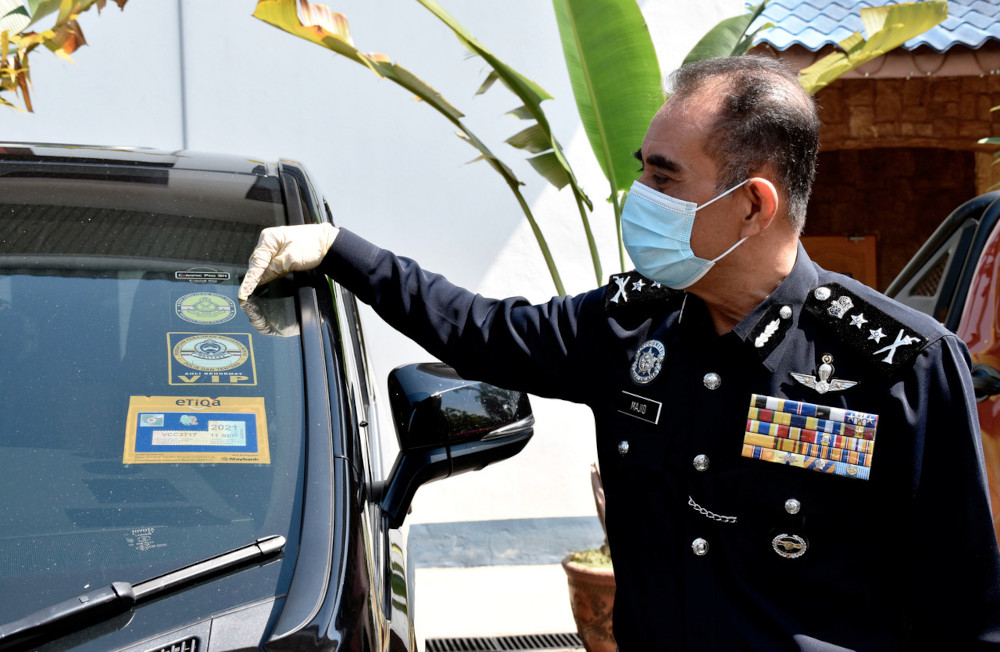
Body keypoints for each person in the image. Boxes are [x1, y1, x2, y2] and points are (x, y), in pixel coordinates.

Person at [239, 55, 1000, 649]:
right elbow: (480, 329)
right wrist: (342, 251)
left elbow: (964, 616)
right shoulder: (633, 327)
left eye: (663, 176)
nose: (640, 191)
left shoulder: (898, 365)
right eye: (642, 166)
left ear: (752, 205)